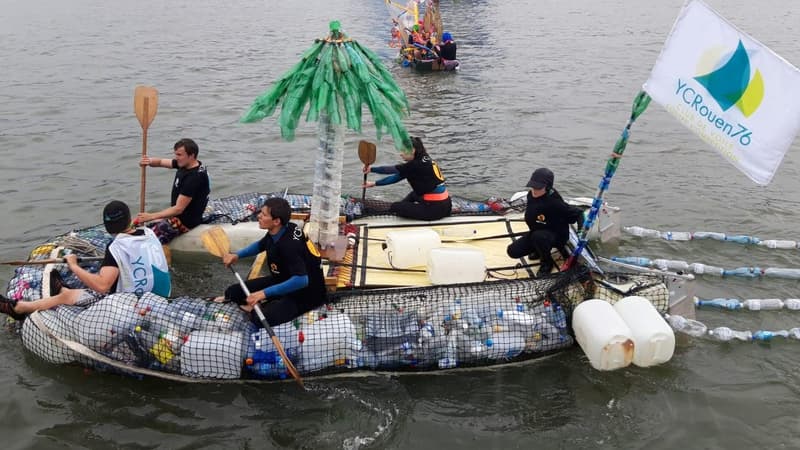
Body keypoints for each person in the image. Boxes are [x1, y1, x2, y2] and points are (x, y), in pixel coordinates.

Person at [0, 201, 171, 320]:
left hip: (136, 305)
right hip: (164, 295)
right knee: (107, 275)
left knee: (67, 296)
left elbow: (103, 286)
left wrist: (74, 265)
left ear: (107, 227)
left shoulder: (116, 247)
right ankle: (62, 288)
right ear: (129, 219)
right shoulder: (149, 233)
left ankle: (20, 308)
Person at [217, 197, 327, 327]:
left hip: (305, 294)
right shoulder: (282, 229)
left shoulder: (289, 246)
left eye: (264, 215)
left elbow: (301, 280)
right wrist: (236, 256)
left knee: (260, 319)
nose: (259, 216)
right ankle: (264, 303)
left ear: (276, 221)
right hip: (283, 278)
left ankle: (263, 305)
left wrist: (262, 294)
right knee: (233, 292)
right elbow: (261, 245)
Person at [506, 168, 583, 277]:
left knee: (539, 237)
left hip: (556, 236)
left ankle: (547, 263)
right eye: (533, 186)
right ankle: (538, 249)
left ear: (547, 187)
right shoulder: (530, 195)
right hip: (537, 231)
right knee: (512, 251)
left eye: (538, 187)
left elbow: (579, 213)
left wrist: (581, 231)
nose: (534, 190)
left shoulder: (555, 203)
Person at [137, 138, 211, 244]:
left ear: (191, 155)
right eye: (176, 154)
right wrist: (148, 161)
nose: (176, 158)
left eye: (179, 155)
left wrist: (151, 216)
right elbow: (161, 162)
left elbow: (178, 209)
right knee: (140, 227)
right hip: (176, 216)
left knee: (144, 240)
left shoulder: (194, 178)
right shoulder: (186, 164)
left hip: (185, 223)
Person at [362, 136, 452, 221]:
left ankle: (400, 208)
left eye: (403, 150)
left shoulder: (415, 165)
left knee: (396, 207)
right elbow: (398, 176)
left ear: (413, 150)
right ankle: (404, 206)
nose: (401, 154)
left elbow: (391, 170)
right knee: (413, 195)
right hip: (446, 204)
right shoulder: (424, 157)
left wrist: (371, 169)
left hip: (435, 210)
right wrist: (374, 183)